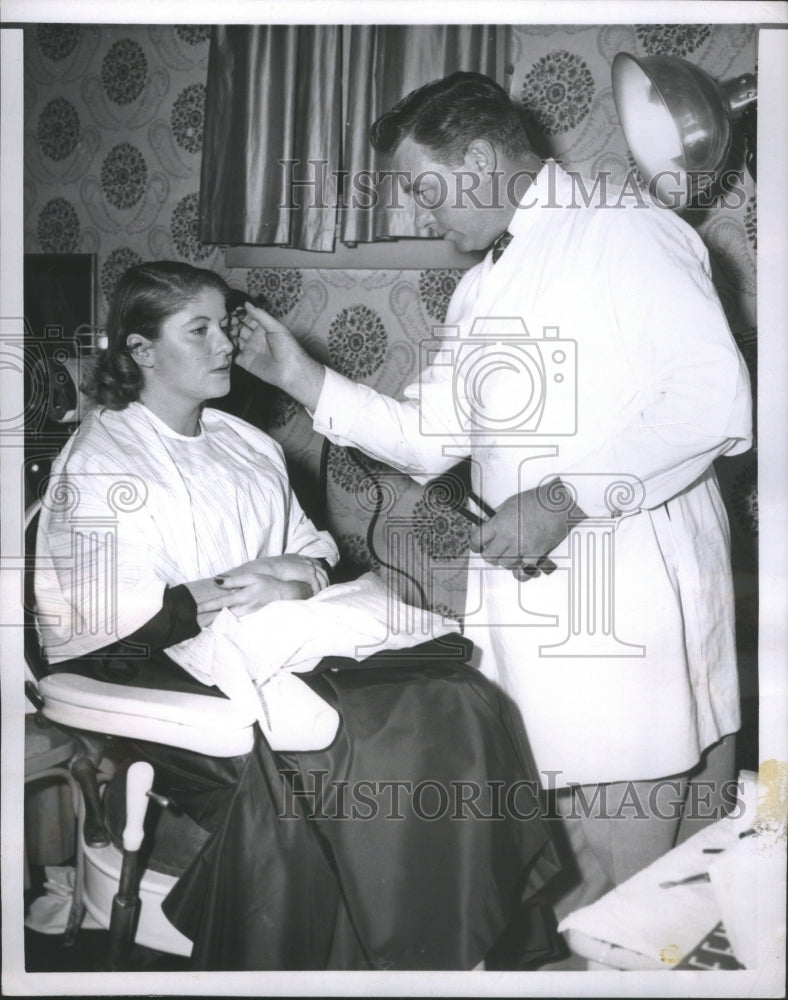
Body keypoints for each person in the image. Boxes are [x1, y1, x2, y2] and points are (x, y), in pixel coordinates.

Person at [233, 72, 753, 919]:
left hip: (629, 631)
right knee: (574, 889)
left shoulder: (622, 228)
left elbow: (711, 396)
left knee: (641, 904)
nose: (421, 216)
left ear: (478, 158)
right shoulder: (482, 287)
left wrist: (563, 499)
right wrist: (298, 373)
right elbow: (428, 438)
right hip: (538, 633)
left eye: (425, 190)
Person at [34, 260, 562, 971]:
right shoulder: (102, 458)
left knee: (457, 699)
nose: (226, 345)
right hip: (153, 669)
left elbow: (309, 553)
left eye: (225, 326)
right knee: (344, 747)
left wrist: (293, 580)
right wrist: (244, 581)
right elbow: (111, 621)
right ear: (139, 349)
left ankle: (453, 948)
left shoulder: (244, 443)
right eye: (200, 331)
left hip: (272, 641)